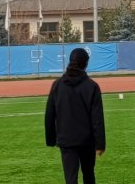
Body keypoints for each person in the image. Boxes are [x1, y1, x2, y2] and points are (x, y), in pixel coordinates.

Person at [44, 48, 106, 184]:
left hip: (66, 141)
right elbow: (97, 118)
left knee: (70, 179)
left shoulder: (57, 85)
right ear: (85, 64)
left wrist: (51, 139)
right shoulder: (92, 86)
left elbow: (49, 114)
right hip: (87, 141)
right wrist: (100, 144)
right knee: (89, 176)